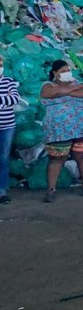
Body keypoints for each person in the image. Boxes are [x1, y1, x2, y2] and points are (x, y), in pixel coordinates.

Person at [40, 60, 83, 203]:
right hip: (58, 129)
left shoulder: (80, 84)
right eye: (63, 71)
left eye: (68, 70)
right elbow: (49, 93)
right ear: (54, 73)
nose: (67, 73)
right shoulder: (47, 86)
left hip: (81, 128)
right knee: (57, 159)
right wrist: (73, 90)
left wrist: (62, 92)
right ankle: (51, 190)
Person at [0, 56, 20, 204]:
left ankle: (2, 192)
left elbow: (15, 98)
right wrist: (4, 98)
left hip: (7, 126)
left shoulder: (8, 81)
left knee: (4, 158)